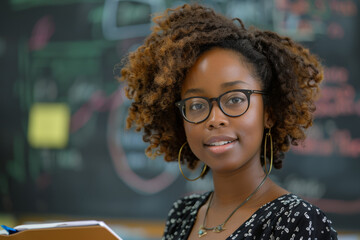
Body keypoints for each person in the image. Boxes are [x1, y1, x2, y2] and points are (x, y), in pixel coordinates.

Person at [116, 3, 338, 240]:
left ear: (269, 113)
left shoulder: (299, 222)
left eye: (234, 99)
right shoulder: (182, 215)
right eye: (197, 105)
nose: (214, 119)